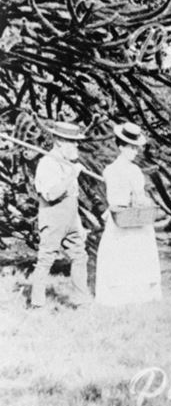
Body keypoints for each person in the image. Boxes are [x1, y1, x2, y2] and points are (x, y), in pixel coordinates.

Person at [95, 122, 162, 306]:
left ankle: (136, 297)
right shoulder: (118, 171)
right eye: (131, 148)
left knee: (134, 256)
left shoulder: (129, 170)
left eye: (136, 148)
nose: (135, 151)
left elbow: (136, 196)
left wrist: (140, 200)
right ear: (121, 147)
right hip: (123, 218)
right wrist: (138, 200)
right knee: (123, 255)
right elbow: (120, 199)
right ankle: (122, 297)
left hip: (131, 216)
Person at [29, 120, 91, 309]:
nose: (76, 145)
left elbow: (72, 198)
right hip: (53, 218)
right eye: (72, 142)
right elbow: (51, 194)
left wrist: (78, 225)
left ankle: (81, 301)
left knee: (80, 257)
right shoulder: (47, 164)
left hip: (70, 219)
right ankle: (37, 304)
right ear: (59, 142)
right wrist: (72, 175)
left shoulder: (67, 164)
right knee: (46, 260)